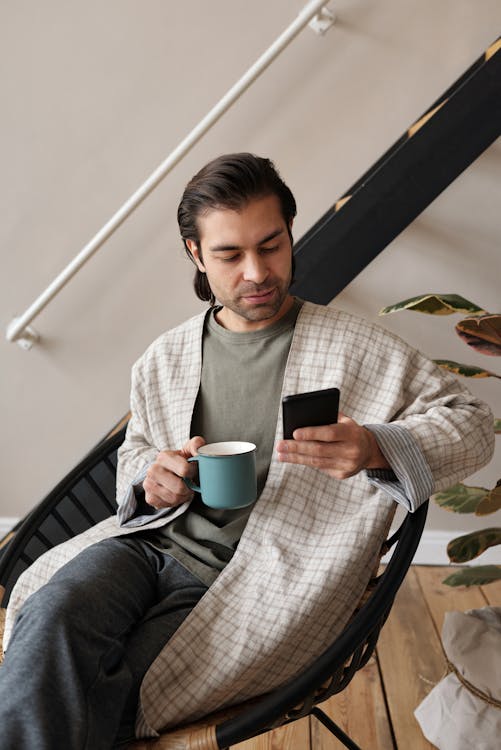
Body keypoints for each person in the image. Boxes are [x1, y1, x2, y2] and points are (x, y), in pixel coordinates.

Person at [0, 153, 494, 749]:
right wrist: (151, 480)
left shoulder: (359, 348)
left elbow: (472, 426)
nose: (258, 272)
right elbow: (136, 456)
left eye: (272, 245)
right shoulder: (165, 357)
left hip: (267, 579)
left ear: (290, 234)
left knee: (96, 686)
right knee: (52, 618)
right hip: (146, 550)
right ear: (195, 255)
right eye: (230, 255)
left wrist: (373, 446)